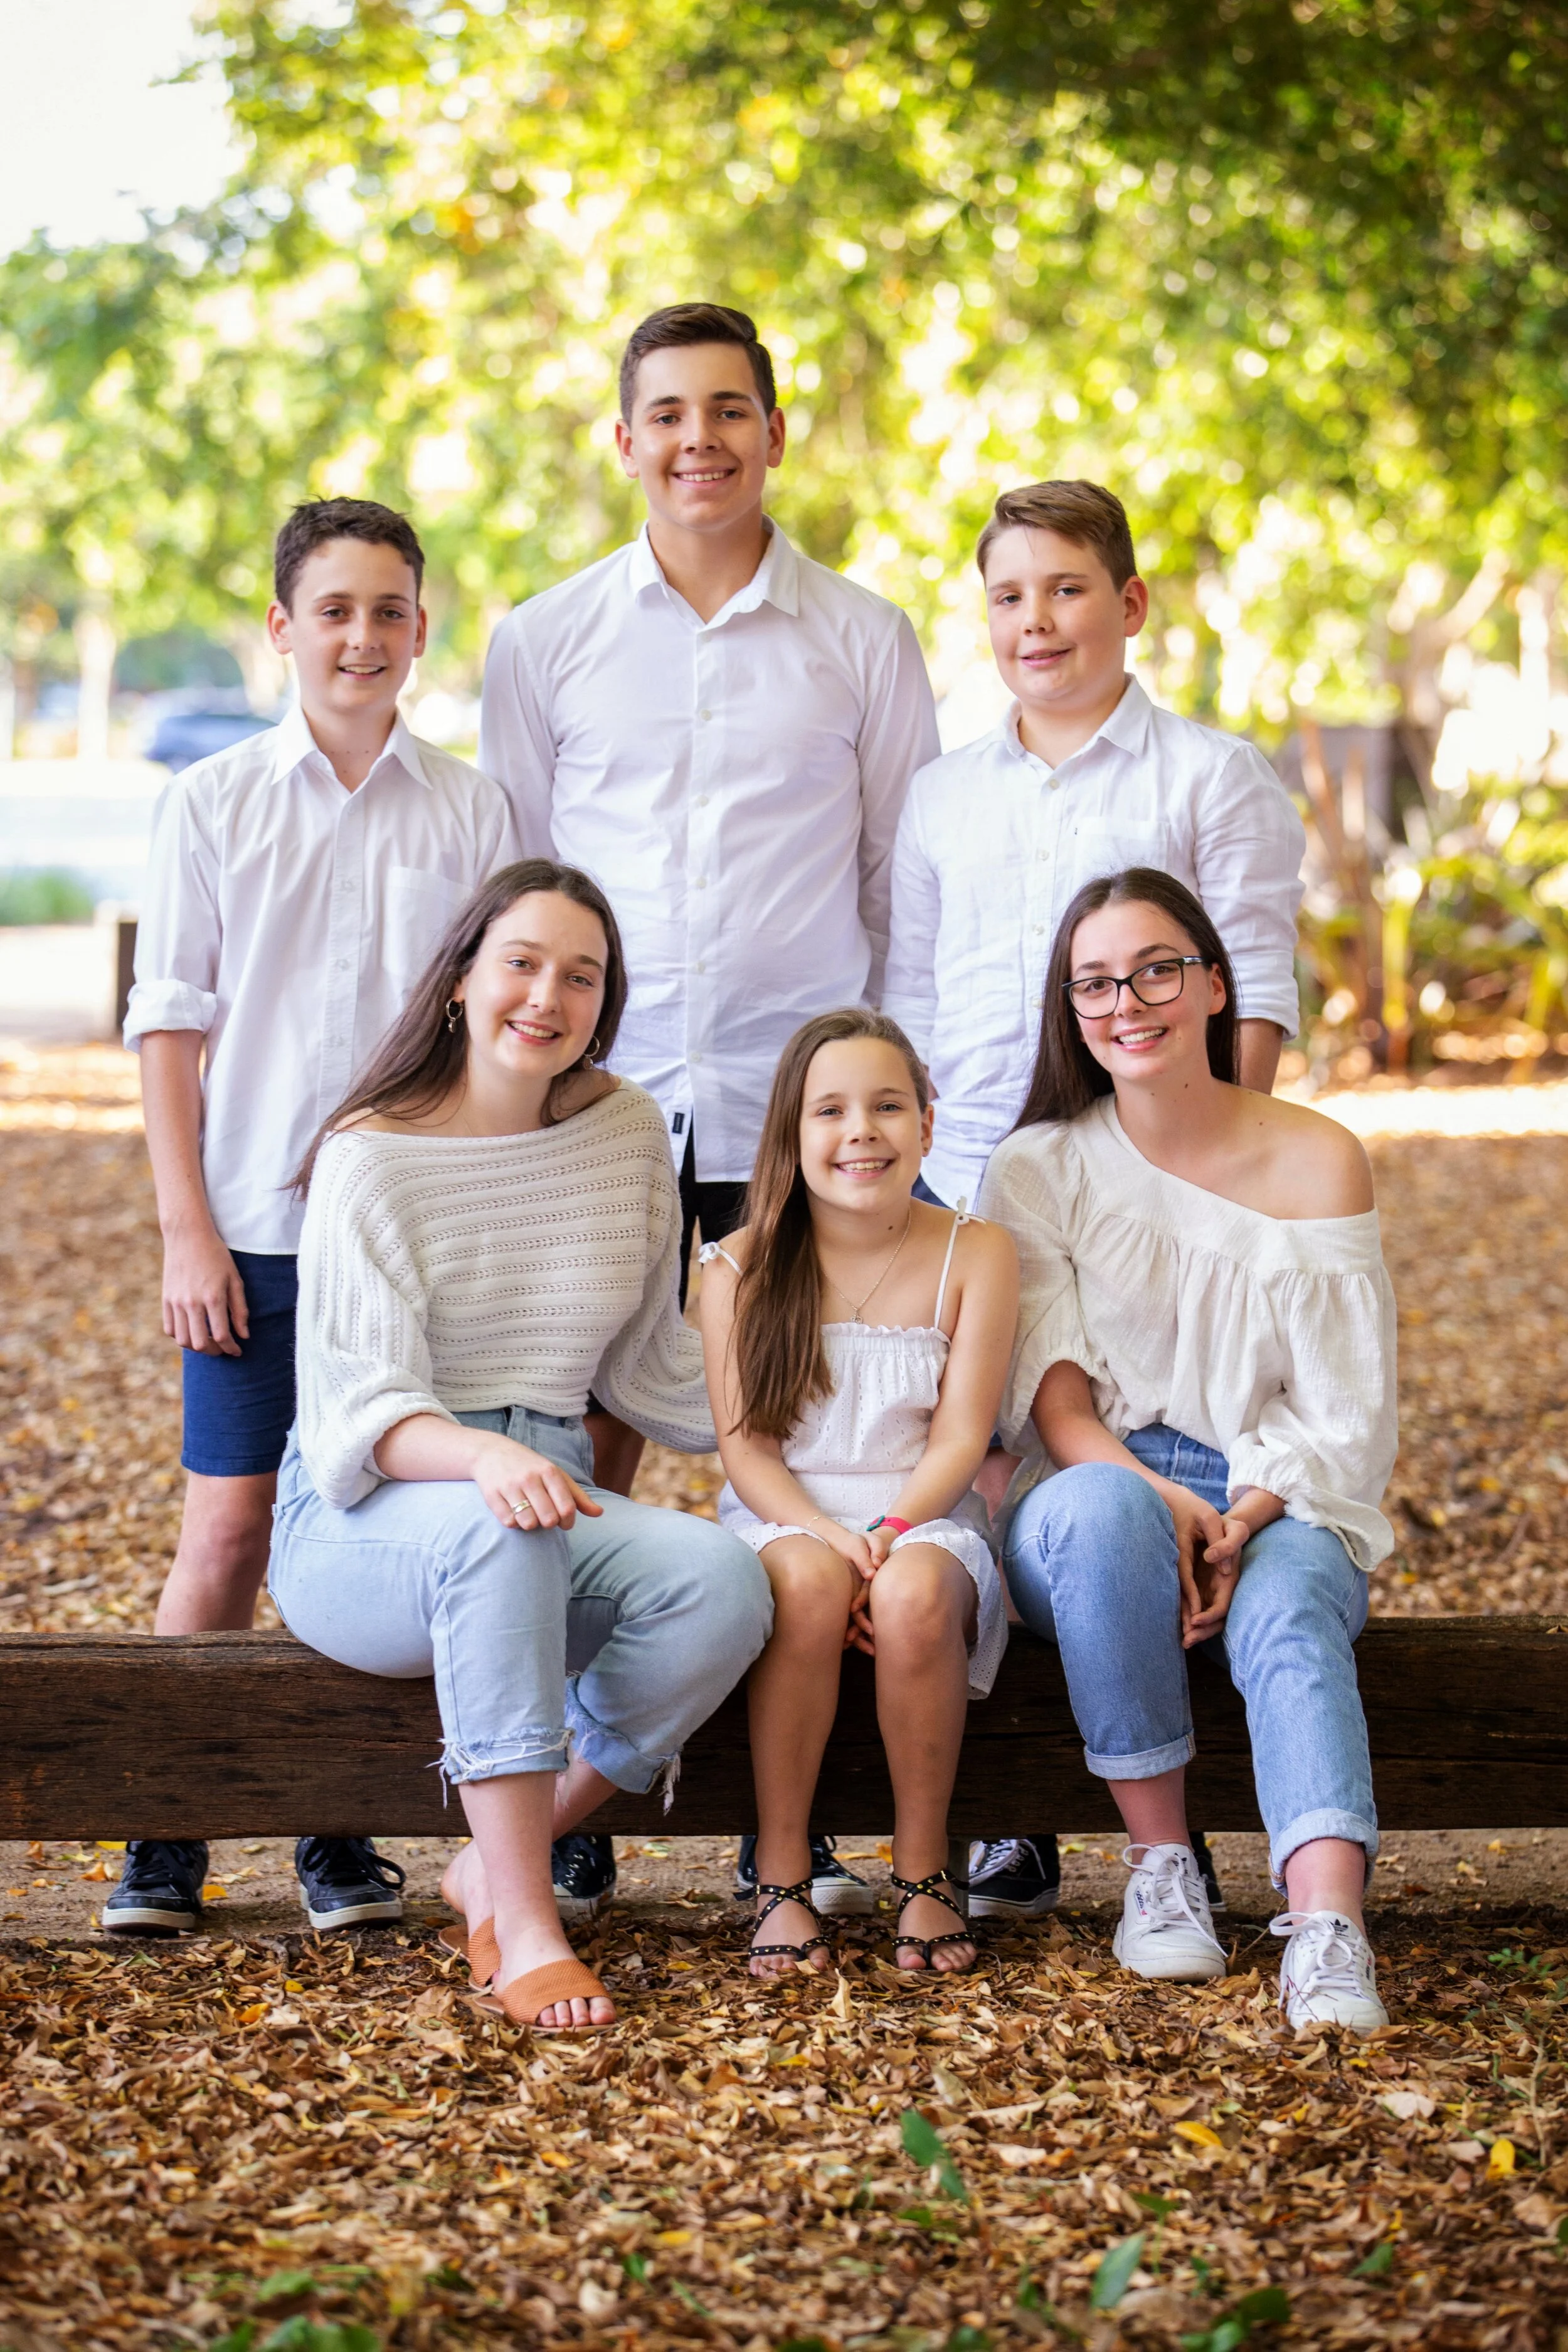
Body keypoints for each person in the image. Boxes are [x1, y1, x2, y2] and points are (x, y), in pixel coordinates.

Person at [480, 300, 939, 1919]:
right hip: (603, 1103)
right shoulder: (542, 639)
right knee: (587, 1435)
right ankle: (583, 1780)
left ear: (775, 433)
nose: (699, 439)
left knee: (811, 1423)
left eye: (729, 409)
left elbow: (899, 881)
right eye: (666, 412)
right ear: (622, 439)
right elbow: (523, 883)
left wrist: (887, 1093)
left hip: (791, 1111)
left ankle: (839, 1792)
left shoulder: (863, 638)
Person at [884, 478, 1306, 1925]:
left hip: (1143, 1193)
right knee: (978, 1481)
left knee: (1091, 1463)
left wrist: (1213, 1187)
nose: (1035, 621)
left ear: (1126, 603)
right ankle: (1010, 1814)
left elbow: (1251, 998)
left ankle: (1129, 1821)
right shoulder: (939, 792)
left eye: (1064, 588)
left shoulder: (1208, 775)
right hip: (965, 1189)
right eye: (1007, 595)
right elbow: (908, 998)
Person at [110, 498, 522, 1937]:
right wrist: (186, 1230)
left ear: (422, 629)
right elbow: (170, 1028)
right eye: (334, 609)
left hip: (407, 1249)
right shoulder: (213, 800)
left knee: (374, 1528)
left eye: (391, 611)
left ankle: (338, 1834)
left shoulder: (470, 810)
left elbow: (493, 1028)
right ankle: (163, 1834)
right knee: (226, 1533)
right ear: (283, 626)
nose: (363, 636)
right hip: (254, 1237)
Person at [269, 860, 773, 2031]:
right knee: (501, 1529)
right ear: (460, 979)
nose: (548, 996)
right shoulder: (369, 1155)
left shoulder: (626, 1129)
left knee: (725, 1582)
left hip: (541, 1497)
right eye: (523, 963)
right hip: (364, 1523)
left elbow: (657, 1362)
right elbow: (361, 1412)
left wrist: (831, 1369)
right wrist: (483, 1458)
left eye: (582, 976)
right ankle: (527, 1920)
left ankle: (501, 1857)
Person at [979, 869, 1396, 2032]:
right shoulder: (1039, 1166)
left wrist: (1247, 1517)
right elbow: (1055, 1403)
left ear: (1214, 982)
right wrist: (1165, 1498)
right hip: (1092, 1483)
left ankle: (1327, 1927)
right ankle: (1165, 1869)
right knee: (1109, 1515)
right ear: (1072, 1009)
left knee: (1291, 1609)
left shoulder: (1322, 1157)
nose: (1130, 1001)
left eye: (1158, 968)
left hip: (1284, 1484)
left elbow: (1345, 1413)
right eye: (1097, 982)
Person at [699, 1009, 1018, 1978]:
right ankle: (784, 1873)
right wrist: (831, 1537)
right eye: (829, 1110)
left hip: (922, 1510)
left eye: (887, 1105)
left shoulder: (978, 1252)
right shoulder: (736, 1266)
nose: (861, 1131)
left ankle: (924, 1873)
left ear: (928, 1119)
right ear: (792, 1137)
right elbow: (745, 1448)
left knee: (915, 1592)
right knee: (803, 1581)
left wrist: (881, 1533)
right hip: (783, 1511)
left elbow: (963, 1436)